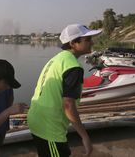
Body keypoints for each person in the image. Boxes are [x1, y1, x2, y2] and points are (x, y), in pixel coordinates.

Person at [27, 24, 101, 157]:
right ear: (73, 43)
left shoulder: (57, 59)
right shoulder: (73, 66)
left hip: (38, 119)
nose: (92, 42)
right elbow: (68, 105)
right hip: (49, 127)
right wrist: (84, 136)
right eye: (88, 39)